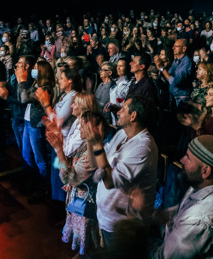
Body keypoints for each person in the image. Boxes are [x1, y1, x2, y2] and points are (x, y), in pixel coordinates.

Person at [83, 95, 158, 247]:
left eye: (123, 108)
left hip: (122, 224)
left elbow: (111, 182)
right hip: (106, 214)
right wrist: (90, 141)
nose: (118, 112)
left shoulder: (143, 147)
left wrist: (98, 145)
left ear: (133, 116)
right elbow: (96, 164)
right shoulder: (123, 133)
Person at [149, 135, 213, 259]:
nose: (182, 160)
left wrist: (133, 241)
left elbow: (162, 257)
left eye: (188, 158)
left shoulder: (198, 221)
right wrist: (164, 215)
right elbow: (184, 209)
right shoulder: (209, 185)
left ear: (205, 171)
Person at [47, 108, 102, 258]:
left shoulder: (90, 155)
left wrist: (59, 150)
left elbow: (69, 178)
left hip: (86, 202)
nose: (79, 128)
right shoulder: (85, 144)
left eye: (82, 125)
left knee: (88, 237)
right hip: (78, 196)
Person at [37, 67, 82, 202]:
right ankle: (56, 198)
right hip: (56, 139)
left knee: (61, 172)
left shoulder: (73, 96)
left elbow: (59, 120)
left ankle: (61, 202)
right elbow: (53, 118)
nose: (59, 81)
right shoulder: (64, 95)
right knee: (56, 171)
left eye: (62, 78)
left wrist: (46, 104)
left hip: (64, 142)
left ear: (70, 81)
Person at [18, 60, 56, 204]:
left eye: (35, 68)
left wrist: (22, 81)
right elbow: (19, 96)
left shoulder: (45, 88)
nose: (33, 70)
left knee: (40, 159)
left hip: (36, 125)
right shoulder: (35, 84)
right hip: (28, 122)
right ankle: (34, 182)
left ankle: (44, 187)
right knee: (27, 155)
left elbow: (23, 98)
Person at [154, 39, 193, 110]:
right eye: (173, 46)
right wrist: (159, 66)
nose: (173, 48)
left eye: (176, 46)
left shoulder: (186, 62)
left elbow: (175, 82)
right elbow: (168, 75)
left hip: (181, 99)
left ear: (184, 49)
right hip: (173, 97)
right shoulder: (176, 61)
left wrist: (162, 68)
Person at [104, 58, 132, 125]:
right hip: (113, 119)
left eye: (121, 66)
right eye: (117, 66)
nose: (118, 68)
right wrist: (109, 103)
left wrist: (116, 107)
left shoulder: (129, 84)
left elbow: (125, 103)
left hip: (123, 120)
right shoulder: (115, 81)